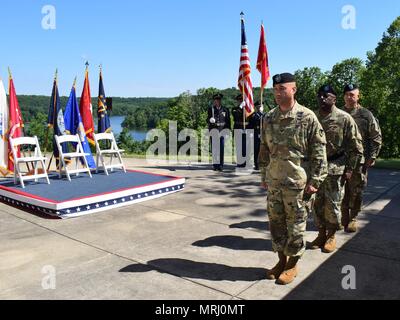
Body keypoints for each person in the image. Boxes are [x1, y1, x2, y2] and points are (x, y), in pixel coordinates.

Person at [259, 73, 328, 285]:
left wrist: (315, 181)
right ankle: (281, 261)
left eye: (283, 89)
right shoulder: (268, 117)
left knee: (296, 229)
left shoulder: (307, 117)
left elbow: (319, 151)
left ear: (294, 89)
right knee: (276, 226)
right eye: (275, 90)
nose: (278, 93)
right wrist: (263, 175)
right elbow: (263, 149)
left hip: (298, 186)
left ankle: (292, 265)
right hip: (274, 183)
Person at [310, 85, 364, 253]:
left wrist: (349, 169)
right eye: (319, 95)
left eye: (326, 95)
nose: (322, 98)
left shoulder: (344, 118)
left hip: (335, 168)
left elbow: (357, 147)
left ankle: (331, 235)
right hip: (315, 169)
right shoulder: (312, 117)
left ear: (334, 98)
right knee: (317, 204)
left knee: (333, 204)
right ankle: (320, 234)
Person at [341, 84, 383, 232]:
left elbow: (376, 137)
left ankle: (353, 217)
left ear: (358, 96)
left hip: (359, 160)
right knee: (340, 190)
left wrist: (372, 156)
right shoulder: (338, 113)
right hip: (339, 160)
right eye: (346, 94)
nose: (349, 97)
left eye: (352, 94)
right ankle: (343, 216)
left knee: (356, 190)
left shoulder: (366, 114)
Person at [207, 93, 231, 171]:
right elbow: (207, 120)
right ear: (214, 101)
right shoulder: (211, 109)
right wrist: (210, 120)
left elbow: (228, 121)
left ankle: (220, 165)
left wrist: (228, 131)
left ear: (221, 100)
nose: (217, 101)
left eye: (219, 99)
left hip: (222, 131)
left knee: (221, 149)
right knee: (214, 149)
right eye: (216, 99)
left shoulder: (225, 109)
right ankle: (215, 165)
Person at [232, 94, 248, 168]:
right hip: (238, 128)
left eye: (242, 100)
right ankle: (240, 162)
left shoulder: (248, 109)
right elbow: (236, 115)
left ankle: (245, 162)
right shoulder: (235, 109)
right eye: (239, 100)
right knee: (239, 147)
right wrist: (240, 107)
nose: (240, 101)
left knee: (245, 147)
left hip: (246, 129)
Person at [248, 100, 264, 170]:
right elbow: (250, 125)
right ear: (256, 107)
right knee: (256, 149)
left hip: (263, 133)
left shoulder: (265, 115)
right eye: (258, 107)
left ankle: (263, 163)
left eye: (260, 106)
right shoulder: (253, 115)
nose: (259, 108)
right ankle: (257, 164)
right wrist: (251, 133)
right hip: (255, 132)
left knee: (263, 149)